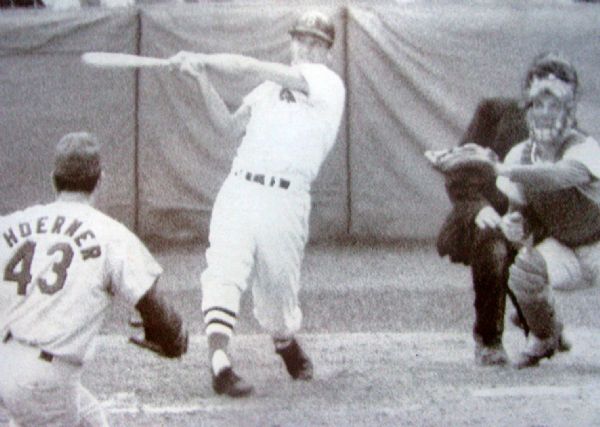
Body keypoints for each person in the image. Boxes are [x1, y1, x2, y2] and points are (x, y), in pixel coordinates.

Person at [169, 10, 345, 397]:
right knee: (224, 271)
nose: (307, 46)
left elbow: (249, 66)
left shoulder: (328, 84)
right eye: (301, 38)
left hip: (286, 199)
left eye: (316, 42)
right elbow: (227, 127)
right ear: (292, 41)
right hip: (241, 189)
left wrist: (206, 59)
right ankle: (220, 362)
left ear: (328, 52)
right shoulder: (267, 89)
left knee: (278, 291)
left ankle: (284, 340)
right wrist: (200, 78)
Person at [0, 132, 188, 426]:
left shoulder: (13, 224)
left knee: (91, 420)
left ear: (54, 179)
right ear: (100, 180)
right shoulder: (110, 234)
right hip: (45, 380)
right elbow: (155, 308)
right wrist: (171, 337)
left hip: (6, 362)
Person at [495, 52, 600, 368]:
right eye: (538, 105)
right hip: (565, 248)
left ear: (569, 110)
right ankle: (545, 334)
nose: (545, 113)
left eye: (554, 105)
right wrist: (516, 223)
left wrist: (499, 170)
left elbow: (559, 176)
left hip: (598, 243)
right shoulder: (519, 155)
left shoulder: (584, 146)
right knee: (524, 274)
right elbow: (523, 212)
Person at [436, 97, 529, 366]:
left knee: (539, 254)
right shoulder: (494, 112)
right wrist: (479, 208)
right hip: (491, 218)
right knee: (493, 245)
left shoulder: (566, 134)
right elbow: (458, 171)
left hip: (534, 223)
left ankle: (540, 323)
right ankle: (489, 340)